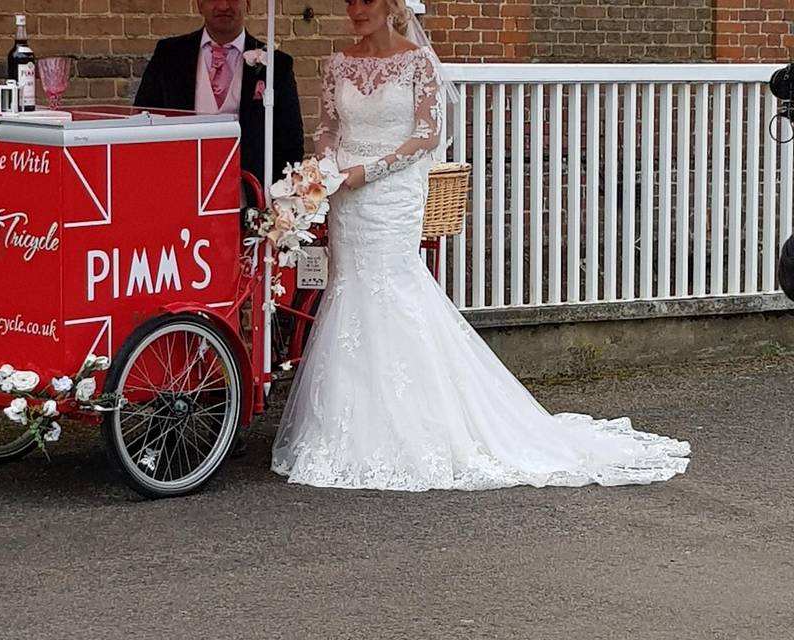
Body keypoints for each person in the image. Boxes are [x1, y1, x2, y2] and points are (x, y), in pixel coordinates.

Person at [270, 0, 691, 491]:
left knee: (393, 291)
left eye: (366, 0)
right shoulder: (338, 63)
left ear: (389, 5)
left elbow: (427, 136)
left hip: (391, 191)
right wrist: (322, 172)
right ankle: (343, 427)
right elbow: (327, 128)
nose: (356, 10)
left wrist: (368, 171)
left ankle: (422, 424)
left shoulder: (418, 62)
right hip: (345, 198)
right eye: (351, 1)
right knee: (349, 292)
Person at [133, 0, 305, 186]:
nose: (224, 6)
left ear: (248, 4)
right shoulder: (169, 54)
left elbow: (290, 141)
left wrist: (274, 199)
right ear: (199, 4)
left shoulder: (276, 65)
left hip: (249, 194)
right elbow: (142, 121)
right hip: (180, 186)